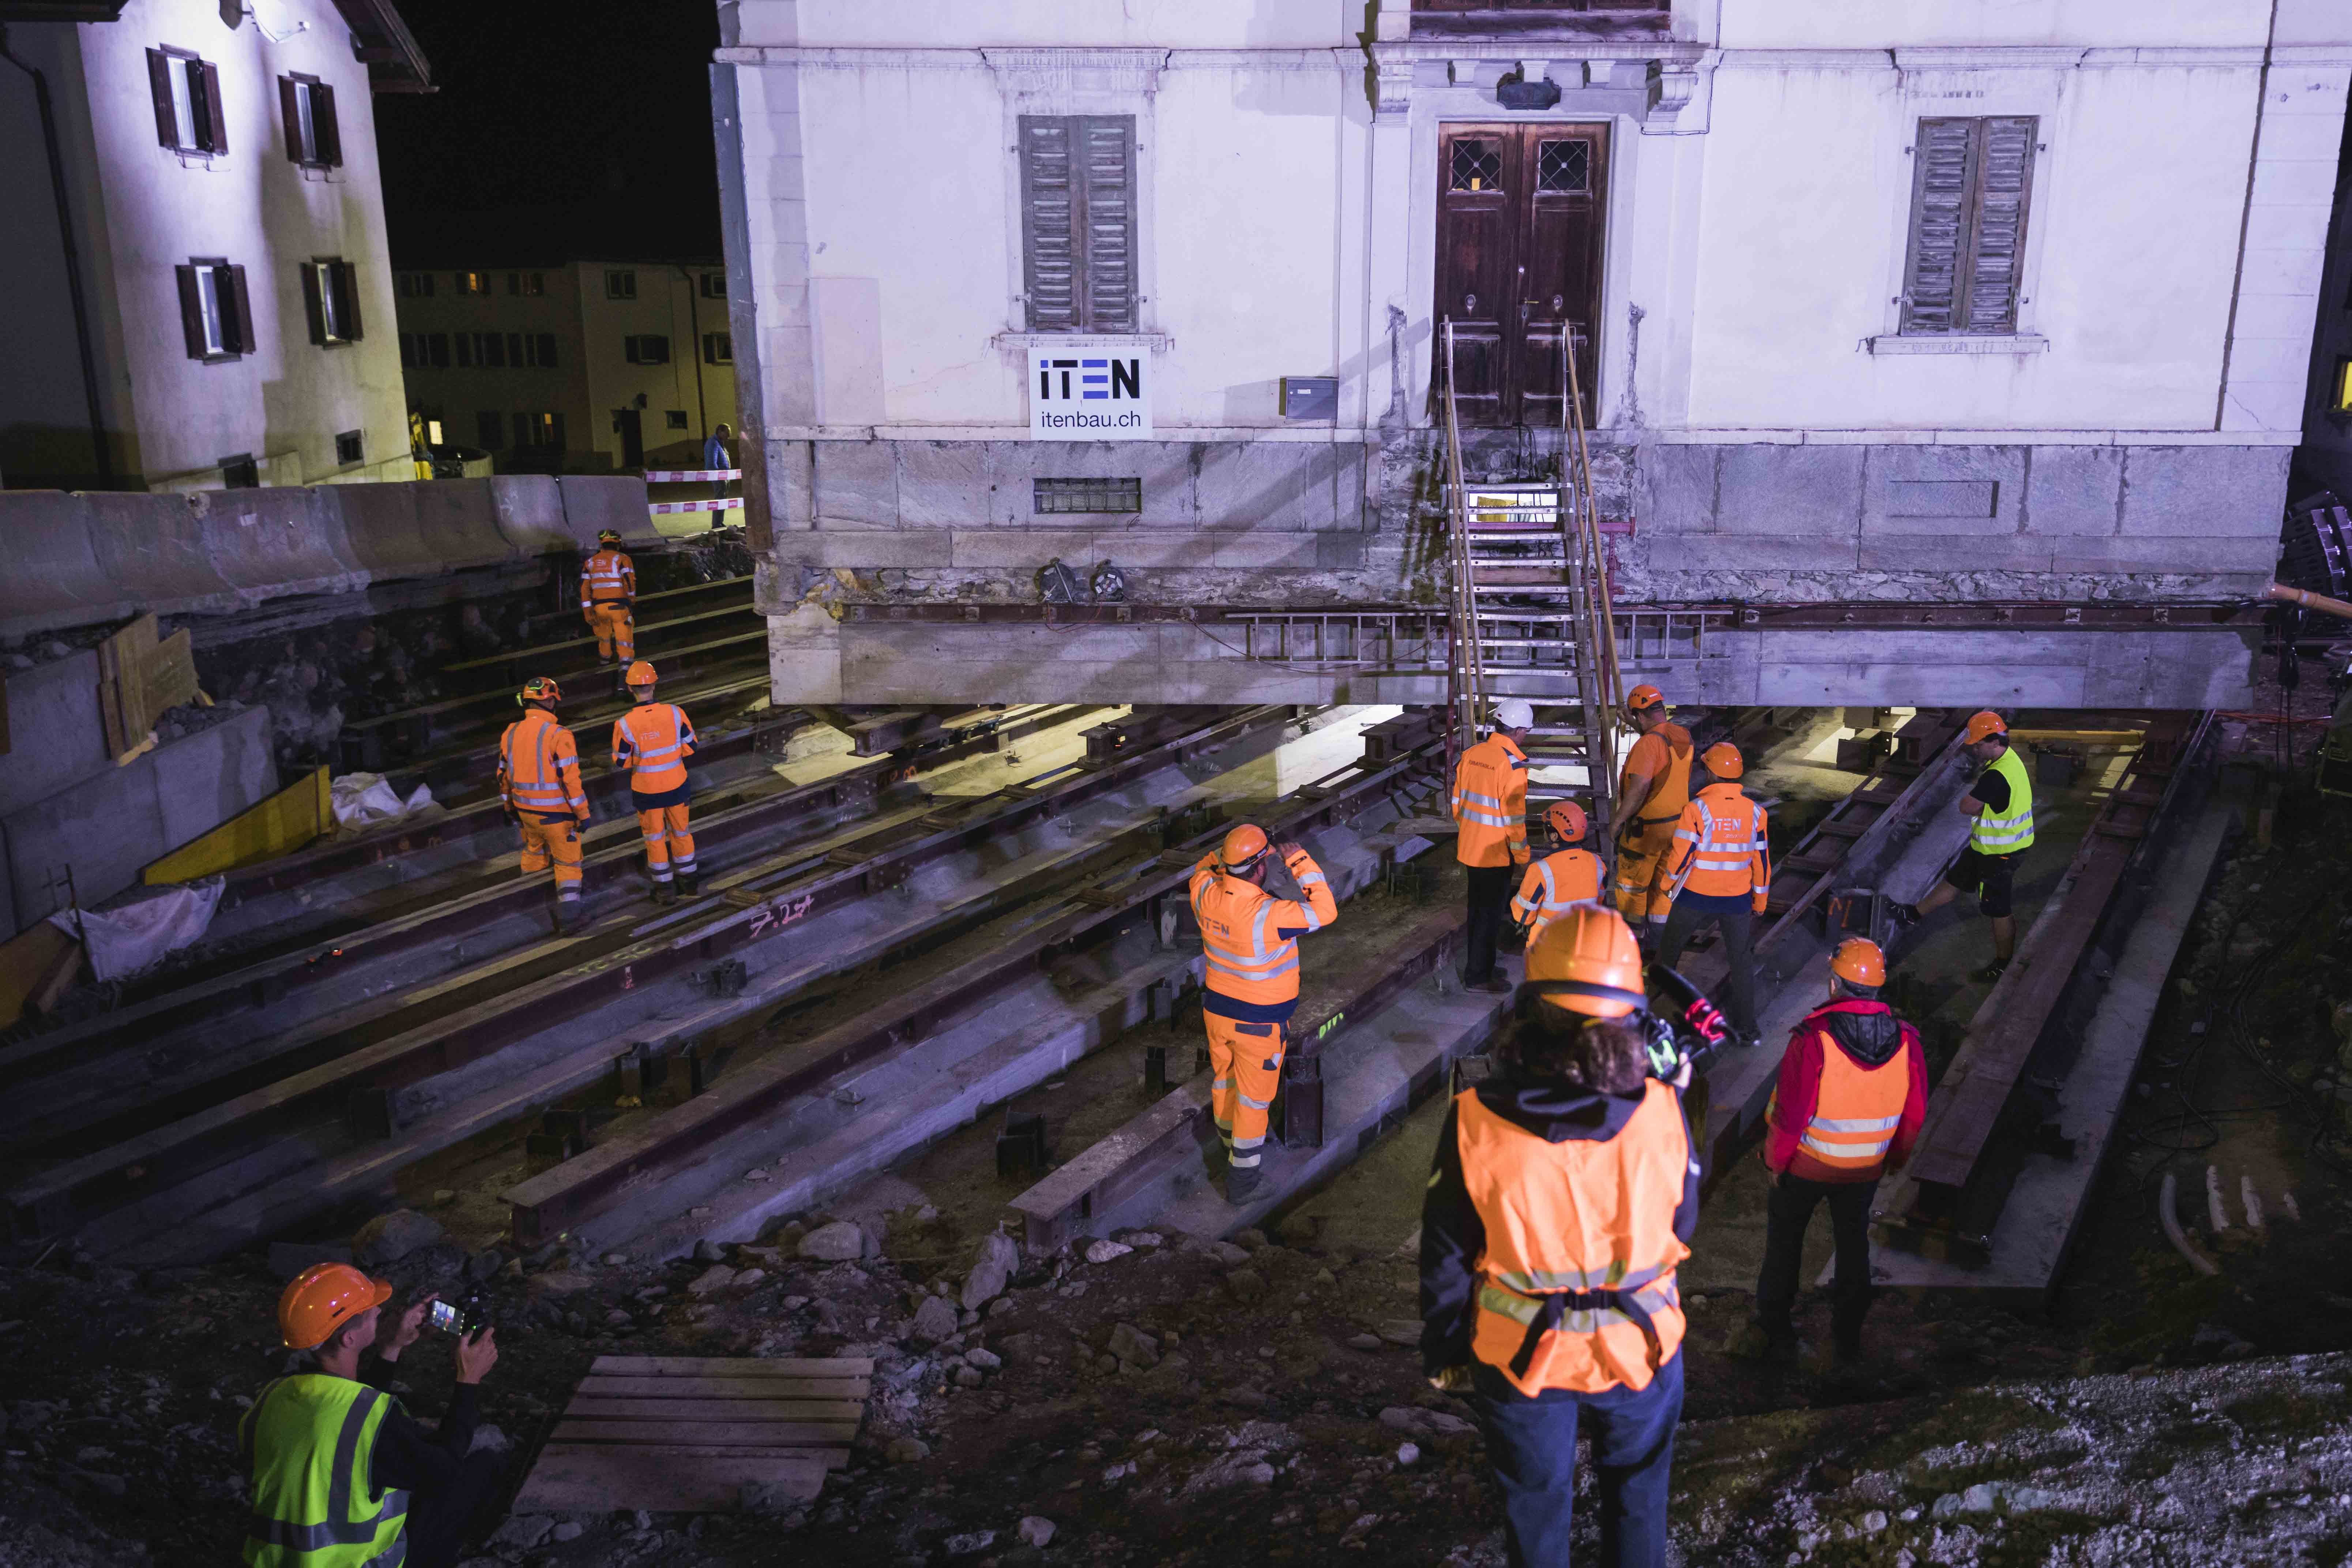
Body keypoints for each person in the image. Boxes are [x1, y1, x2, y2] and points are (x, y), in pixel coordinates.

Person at [1421, 905, 1700, 1568]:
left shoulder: (1472, 1119)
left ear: (1530, 1007)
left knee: (1535, 1512)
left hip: (1520, 1357)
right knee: (1637, 1501)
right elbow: (1681, 1223)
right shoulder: (1662, 1109)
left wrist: (1444, 1351)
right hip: (1641, 1349)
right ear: (1631, 1010)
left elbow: (1447, 1254)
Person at [242, 1261, 504, 1568]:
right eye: (370, 1312)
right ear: (349, 1339)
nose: (380, 1312)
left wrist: (391, 1348)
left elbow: (346, 1416)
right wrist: (468, 1380)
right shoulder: (373, 1420)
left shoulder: (271, 1398)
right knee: (483, 1466)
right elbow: (442, 1472)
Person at [1749, 938, 1927, 1365]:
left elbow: (1791, 1115)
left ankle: (1774, 1330)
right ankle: (1845, 1338)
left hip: (1807, 1167)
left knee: (1784, 1245)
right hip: (1865, 1171)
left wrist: (1775, 1162)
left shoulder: (1812, 1038)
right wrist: (1894, 1160)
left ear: (1834, 985)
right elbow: (1915, 1113)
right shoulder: (1907, 1041)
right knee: (1853, 1247)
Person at [1187, 824, 1339, 1204]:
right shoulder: (1269, 914)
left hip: (1217, 1012)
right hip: (1259, 1023)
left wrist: (1227, 854)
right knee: (1254, 1102)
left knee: (1225, 1081)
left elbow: (1202, 867)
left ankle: (1228, 1145)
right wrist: (1297, 859)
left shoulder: (1203, 893)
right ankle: (1243, 1182)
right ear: (1257, 868)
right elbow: (1325, 911)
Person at [1892, 710, 2033, 982]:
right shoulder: (2010, 759)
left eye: (1979, 743)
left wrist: (1980, 802)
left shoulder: (1996, 776)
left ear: (1995, 742)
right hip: (1987, 846)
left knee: (1998, 909)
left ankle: (2003, 963)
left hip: (2000, 854)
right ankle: (1911, 914)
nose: (1975, 748)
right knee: (1954, 881)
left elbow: (1965, 806)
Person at [1653, 741, 1769, 1050]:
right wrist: (1759, 901)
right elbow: (1761, 861)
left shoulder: (1696, 809)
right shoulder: (1756, 812)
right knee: (1741, 962)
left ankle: (1651, 1018)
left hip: (1695, 895)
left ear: (1710, 772)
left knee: (1668, 955)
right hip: (1737, 900)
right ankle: (1748, 1030)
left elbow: (1681, 854)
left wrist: (1667, 884)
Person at [1453, 697, 1535, 993]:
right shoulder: (1512, 766)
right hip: (1496, 853)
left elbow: (1456, 804)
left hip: (1470, 847)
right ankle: (1477, 976)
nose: (1525, 736)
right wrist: (1522, 853)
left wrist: (1471, 830)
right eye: (1525, 731)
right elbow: (1515, 819)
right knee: (1489, 916)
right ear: (1516, 731)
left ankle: (1481, 965)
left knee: (1476, 911)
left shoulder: (1472, 753)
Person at [499, 677, 592, 932]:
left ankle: (532, 909)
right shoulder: (559, 735)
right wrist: (583, 814)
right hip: (557, 817)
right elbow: (570, 781)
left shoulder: (510, 732)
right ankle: (570, 919)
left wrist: (509, 808)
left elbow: (503, 776)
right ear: (549, 700)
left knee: (534, 853)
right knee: (568, 863)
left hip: (527, 814)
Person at [611, 660, 700, 906]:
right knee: (681, 832)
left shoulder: (625, 724)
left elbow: (621, 762)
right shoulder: (675, 713)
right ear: (654, 685)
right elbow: (691, 746)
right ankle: (689, 882)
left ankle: (665, 890)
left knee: (655, 839)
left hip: (647, 791)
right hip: (677, 785)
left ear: (630, 689)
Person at [1612, 686, 1694, 947]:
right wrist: (1635, 724)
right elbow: (1658, 744)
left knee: (1631, 888)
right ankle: (1660, 945)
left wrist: (1615, 823)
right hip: (1676, 828)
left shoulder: (1647, 744)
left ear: (1638, 714)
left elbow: (1638, 791)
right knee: (1662, 888)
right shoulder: (1681, 735)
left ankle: (1632, 944)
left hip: (1645, 832)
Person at [1510, 800, 1603, 947]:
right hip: (1584, 944)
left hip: (1546, 948)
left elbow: (1523, 916)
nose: (1544, 833)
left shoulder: (1540, 870)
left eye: (1545, 829)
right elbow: (1598, 903)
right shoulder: (1598, 864)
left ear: (1554, 836)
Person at [580, 528, 637, 678]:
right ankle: (623, 682)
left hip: (599, 609)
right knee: (624, 644)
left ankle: (604, 668)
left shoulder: (590, 562)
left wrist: (588, 612)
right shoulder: (623, 559)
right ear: (618, 543)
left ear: (601, 543)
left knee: (604, 640)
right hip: (619, 607)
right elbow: (630, 583)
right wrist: (631, 601)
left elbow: (584, 589)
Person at [703, 422, 735, 515]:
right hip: (719, 477)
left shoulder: (719, 443)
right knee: (720, 500)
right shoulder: (713, 443)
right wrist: (717, 477)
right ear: (720, 432)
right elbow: (711, 463)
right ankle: (717, 524)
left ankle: (719, 523)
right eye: (727, 434)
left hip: (724, 476)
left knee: (723, 500)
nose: (729, 436)